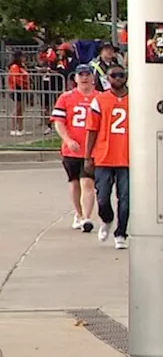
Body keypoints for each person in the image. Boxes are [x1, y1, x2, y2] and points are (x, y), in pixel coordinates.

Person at [82, 64, 131, 249]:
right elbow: (91, 130)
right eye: (113, 75)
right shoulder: (100, 100)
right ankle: (107, 219)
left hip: (126, 156)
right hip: (104, 156)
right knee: (102, 197)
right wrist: (88, 157)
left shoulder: (135, 99)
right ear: (107, 79)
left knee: (125, 198)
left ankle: (121, 233)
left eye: (121, 75)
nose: (117, 78)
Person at [51, 64, 100, 233]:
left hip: (91, 149)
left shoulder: (99, 97)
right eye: (81, 75)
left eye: (87, 74)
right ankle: (78, 214)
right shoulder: (66, 98)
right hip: (72, 148)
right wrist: (67, 139)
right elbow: (59, 122)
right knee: (74, 182)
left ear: (93, 77)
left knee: (88, 182)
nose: (84, 78)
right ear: (76, 78)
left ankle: (87, 217)